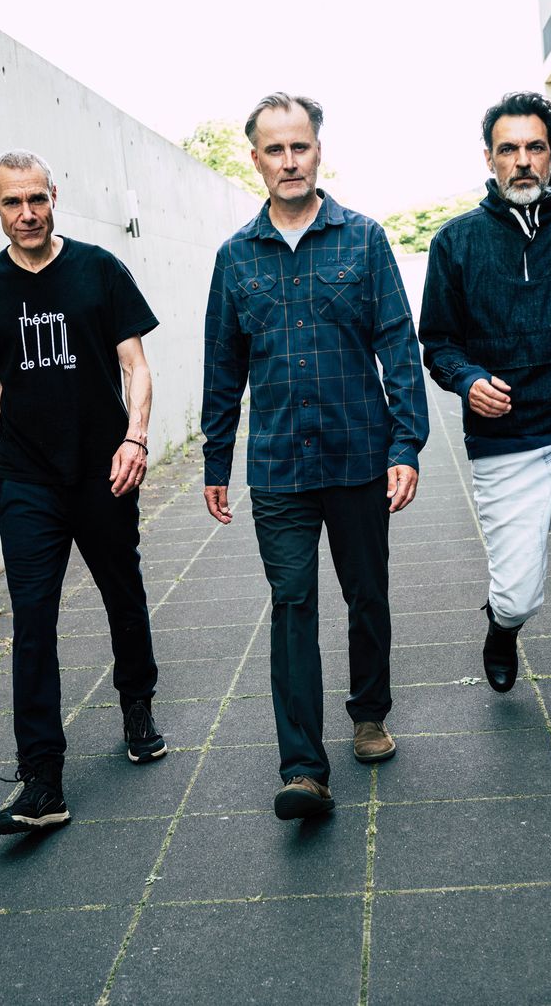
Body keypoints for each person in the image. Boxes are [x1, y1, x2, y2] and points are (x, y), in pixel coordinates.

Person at [201, 93, 429, 821]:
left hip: (359, 455)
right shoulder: (235, 257)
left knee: (367, 593)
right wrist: (215, 459)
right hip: (278, 466)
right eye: (275, 149)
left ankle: (369, 712)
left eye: (299, 146)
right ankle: (302, 767)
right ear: (256, 159)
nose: (289, 161)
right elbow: (221, 365)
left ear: (318, 151)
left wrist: (406, 444)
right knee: (292, 602)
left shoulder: (363, 240)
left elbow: (398, 345)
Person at [0, 149, 167, 834]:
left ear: (54, 196)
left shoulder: (99, 269)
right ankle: (42, 778)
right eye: (13, 202)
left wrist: (135, 438)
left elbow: (136, 364)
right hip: (27, 479)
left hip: (104, 469)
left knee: (122, 592)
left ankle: (137, 703)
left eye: (37, 199)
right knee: (32, 621)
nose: (28, 214)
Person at [419, 91, 551, 797]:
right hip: (504, 442)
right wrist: (468, 379)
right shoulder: (456, 243)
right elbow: (438, 343)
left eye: (535, 147)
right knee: (519, 591)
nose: (523, 161)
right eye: (508, 149)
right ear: (489, 159)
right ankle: (502, 626)